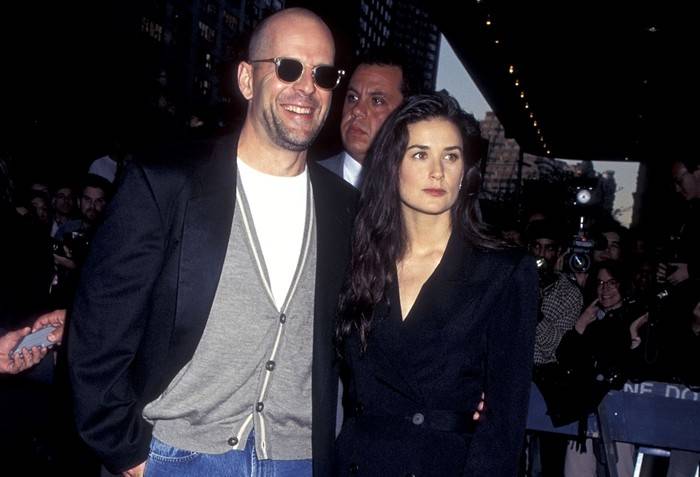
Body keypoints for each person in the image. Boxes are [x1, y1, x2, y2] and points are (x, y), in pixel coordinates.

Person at [68, 8, 355, 477]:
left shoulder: (346, 208)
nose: (307, 87)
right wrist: (127, 453)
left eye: (323, 74)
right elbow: (98, 328)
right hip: (175, 456)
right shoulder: (166, 183)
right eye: (288, 68)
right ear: (247, 79)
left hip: (298, 460)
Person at [334, 92, 538, 476]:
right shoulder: (357, 262)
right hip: (357, 463)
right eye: (419, 154)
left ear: (465, 172)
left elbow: (504, 425)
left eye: (451, 156)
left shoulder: (503, 272)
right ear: (392, 166)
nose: (438, 172)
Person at [557, 262, 648, 477]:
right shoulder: (589, 315)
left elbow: (637, 369)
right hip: (583, 411)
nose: (605, 289)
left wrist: (633, 335)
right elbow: (564, 358)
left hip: (621, 411)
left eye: (611, 283)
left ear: (623, 285)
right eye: (600, 283)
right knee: (575, 471)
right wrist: (580, 325)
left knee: (620, 470)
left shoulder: (637, 317)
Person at [318, 49, 408, 188]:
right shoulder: (309, 180)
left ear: (406, 114)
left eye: (377, 101)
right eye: (352, 98)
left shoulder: (418, 191)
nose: (357, 110)